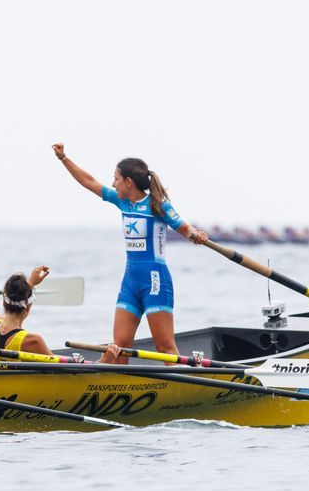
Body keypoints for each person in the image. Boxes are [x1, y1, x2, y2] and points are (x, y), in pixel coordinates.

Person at [53, 143, 208, 362]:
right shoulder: (122, 201)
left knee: (164, 348)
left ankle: (182, 386)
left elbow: (184, 228)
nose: (112, 183)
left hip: (155, 281)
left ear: (128, 182)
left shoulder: (158, 205)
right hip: (130, 282)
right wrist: (63, 158)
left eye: (115, 178)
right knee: (119, 347)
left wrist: (195, 235)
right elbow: (89, 182)